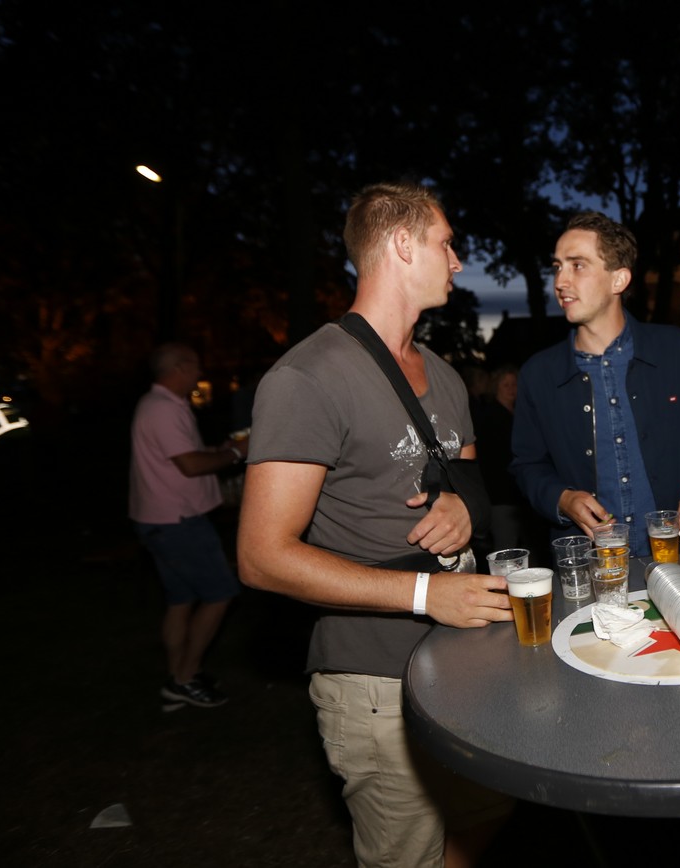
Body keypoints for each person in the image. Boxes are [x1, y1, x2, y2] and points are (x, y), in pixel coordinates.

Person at [237, 182, 514, 868]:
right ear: (402, 244)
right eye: (447, 244)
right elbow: (262, 557)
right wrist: (425, 595)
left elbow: (471, 486)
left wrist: (463, 506)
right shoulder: (308, 377)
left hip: (468, 657)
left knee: (491, 809)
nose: (458, 261)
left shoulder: (446, 376)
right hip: (374, 678)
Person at [510, 211, 680, 555]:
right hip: (590, 565)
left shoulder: (675, 349)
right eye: (557, 267)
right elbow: (527, 464)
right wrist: (561, 498)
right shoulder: (539, 374)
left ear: (619, 280)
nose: (560, 281)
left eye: (577, 265)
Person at [128, 342, 245, 709]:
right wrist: (238, 452)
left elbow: (182, 456)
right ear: (179, 368)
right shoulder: (163, 409)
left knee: (180, 600)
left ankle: (178, 676)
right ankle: (185, 678)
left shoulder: (160, 405)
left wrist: (218, 449)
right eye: (195, 366)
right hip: (177, 522)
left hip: (161, 520)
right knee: (220, 593)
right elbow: (190, 466)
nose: (199, 373)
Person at [470, 364, 531, 551]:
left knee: (529, 549)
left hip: (522, 495)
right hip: (501, 496)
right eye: (506, 385)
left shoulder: (520, 414)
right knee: (506, 549)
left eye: (514, 384)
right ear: (496, 387)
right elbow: (492, 460)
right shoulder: (490, 417)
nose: (511, 389)